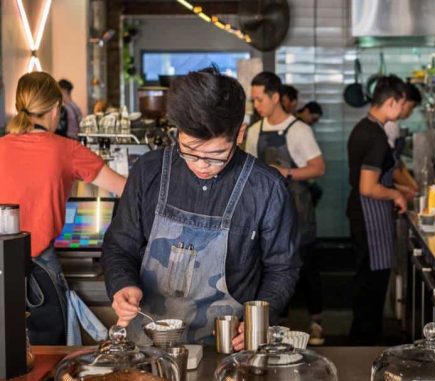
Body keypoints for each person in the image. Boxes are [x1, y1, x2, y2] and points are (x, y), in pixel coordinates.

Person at [101, 68, 300, 349]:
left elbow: (283, 268)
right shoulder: (149, 172)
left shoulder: (266, 187)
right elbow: (119, 245)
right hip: (146, 344)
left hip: (227, 347)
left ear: (240, 133)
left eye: (217, 155)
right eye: (190, 150)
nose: (201, 165)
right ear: (177, 132)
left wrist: (261, 318)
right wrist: (122, 284)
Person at [0, 72, 126, 345]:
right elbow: (126, 189)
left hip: (1, 264)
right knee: (48, 350)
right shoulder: (66, 149)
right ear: (56, 108)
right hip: (41, 267)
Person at [245, 72, 327, 345]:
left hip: (299, 209)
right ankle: (280, 327)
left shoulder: (299, 130)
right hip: (268, 212)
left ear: (275, 97)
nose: (256, 105)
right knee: (273, 269)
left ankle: (316, 322)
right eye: (253, 99)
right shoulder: (254, 130)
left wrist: (286, 172)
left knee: (308, 268)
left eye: (259, 99)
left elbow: (318, 167)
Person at [346, 75, 410, 345]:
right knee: (373, 283)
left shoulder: (364, 127)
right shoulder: (375, 136)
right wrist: (396, 193)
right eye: (403, 105)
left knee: (368, 282)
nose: (403, 112)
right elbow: (368, 187)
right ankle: (365, 345)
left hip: (364, 214)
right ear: (392, 102)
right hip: (369, 214)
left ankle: (362, 339)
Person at [384, 83, 421, 194]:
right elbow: (392, 168)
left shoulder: (394, 125)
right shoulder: (389, 125)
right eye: (410, 107)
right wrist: (412, 187)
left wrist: (413, 185)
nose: (410, 112)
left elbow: (398, 161)